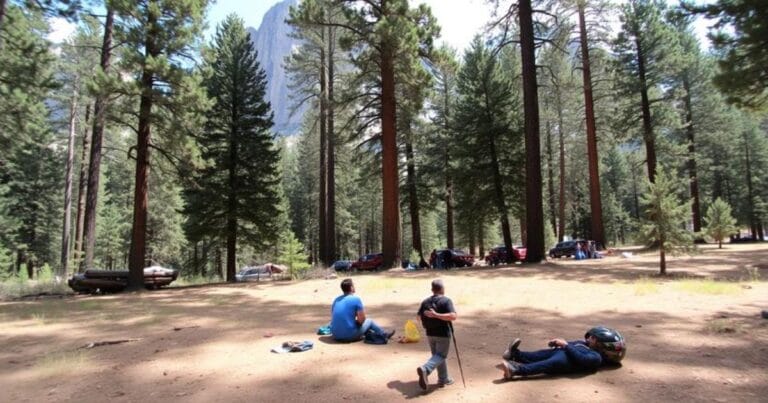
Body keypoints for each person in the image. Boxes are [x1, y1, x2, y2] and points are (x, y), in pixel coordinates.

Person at [500, 326, 626, 380]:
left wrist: (565, 345)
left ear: (602, 346)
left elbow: (581, 359)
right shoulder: (585, 343)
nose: (589, 338)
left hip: (563, 362)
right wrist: (558, 343)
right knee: (537, 355)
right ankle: (515, 354)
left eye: (593, 338)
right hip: (560, 352)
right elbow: (572, 344)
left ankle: (515, 370)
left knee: (544, 364)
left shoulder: (596, 358)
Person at [416, 279, 458, 390]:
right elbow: (453, 316)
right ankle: (425, 369)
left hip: (430, 333)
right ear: (442, 289)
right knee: (441, 356)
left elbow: (418, 317)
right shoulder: (446, 301)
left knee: (437, 357)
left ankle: (443, 379)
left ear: (432, 290)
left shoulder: (425, 302)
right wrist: (436, 315)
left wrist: (428, 316)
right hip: (442, 333)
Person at [330, 278, 394, 342]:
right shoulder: (356, 299)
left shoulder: (336, 299)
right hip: (348, 336)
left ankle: (371, 333)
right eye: (353, 285)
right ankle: (384, 334)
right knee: (369, 321)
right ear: (351, 288)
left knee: (354, 323)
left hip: (335, 335)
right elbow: (362, 320)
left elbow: (334, 316)